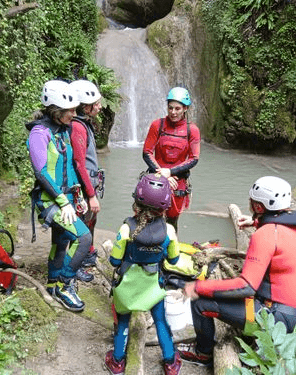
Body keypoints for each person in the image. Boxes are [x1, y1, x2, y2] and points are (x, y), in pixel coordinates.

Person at [178, 176, 296, 366]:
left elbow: (246, 287)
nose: (249, 202)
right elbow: (274, 232)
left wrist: (198, 286)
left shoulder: (265, 235)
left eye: (252, 200)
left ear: (259, 207)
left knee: (199, 302)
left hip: (278, 319)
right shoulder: (290, 226)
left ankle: (203, 353)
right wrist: (255, 222)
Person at [104, 173, 182, 375]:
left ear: (136, 203)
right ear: (164, 208)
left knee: (122, 322)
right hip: (153, 288)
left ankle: (117, 361)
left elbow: (114, 261)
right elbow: (174, 261)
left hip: (127, 289)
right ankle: (170, 363)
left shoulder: (125, 229)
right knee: (161, 322)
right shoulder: (169, 231)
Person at [26, 80, 92, 312]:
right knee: (83, 239)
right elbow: (41, 173)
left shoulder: (62, 131)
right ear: (55, 110)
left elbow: (70, 167)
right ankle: (65, 285)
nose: (74, 114)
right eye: (70, 111)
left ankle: (53, 283)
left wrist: (79, 195)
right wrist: (63, 202)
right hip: (49, 200)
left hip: (67, 197)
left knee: (61, 241)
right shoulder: (39, 134)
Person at [142, 87, 201, 232]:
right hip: (156, 179)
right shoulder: (158, 125)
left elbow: (194, 158)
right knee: (149, 219)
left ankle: (170, 252)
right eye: (170, 108)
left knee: (171, 223)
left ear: (185, 108)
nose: (173, 112)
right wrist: (163, 174)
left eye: (177, 108)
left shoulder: (192, 130)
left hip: (177, 182)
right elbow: (147, 152)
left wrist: (170, 171)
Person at [68, 79, 105, 282]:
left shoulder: (83, 125)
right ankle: (76, 264)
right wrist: (91, 195)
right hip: (83, 189)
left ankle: (86, 255)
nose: (99, 106)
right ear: (85, 106)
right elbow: (79, 163)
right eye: (96, 103)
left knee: (89, 222)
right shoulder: (78, 128)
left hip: (88, 185)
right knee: (81, 227)